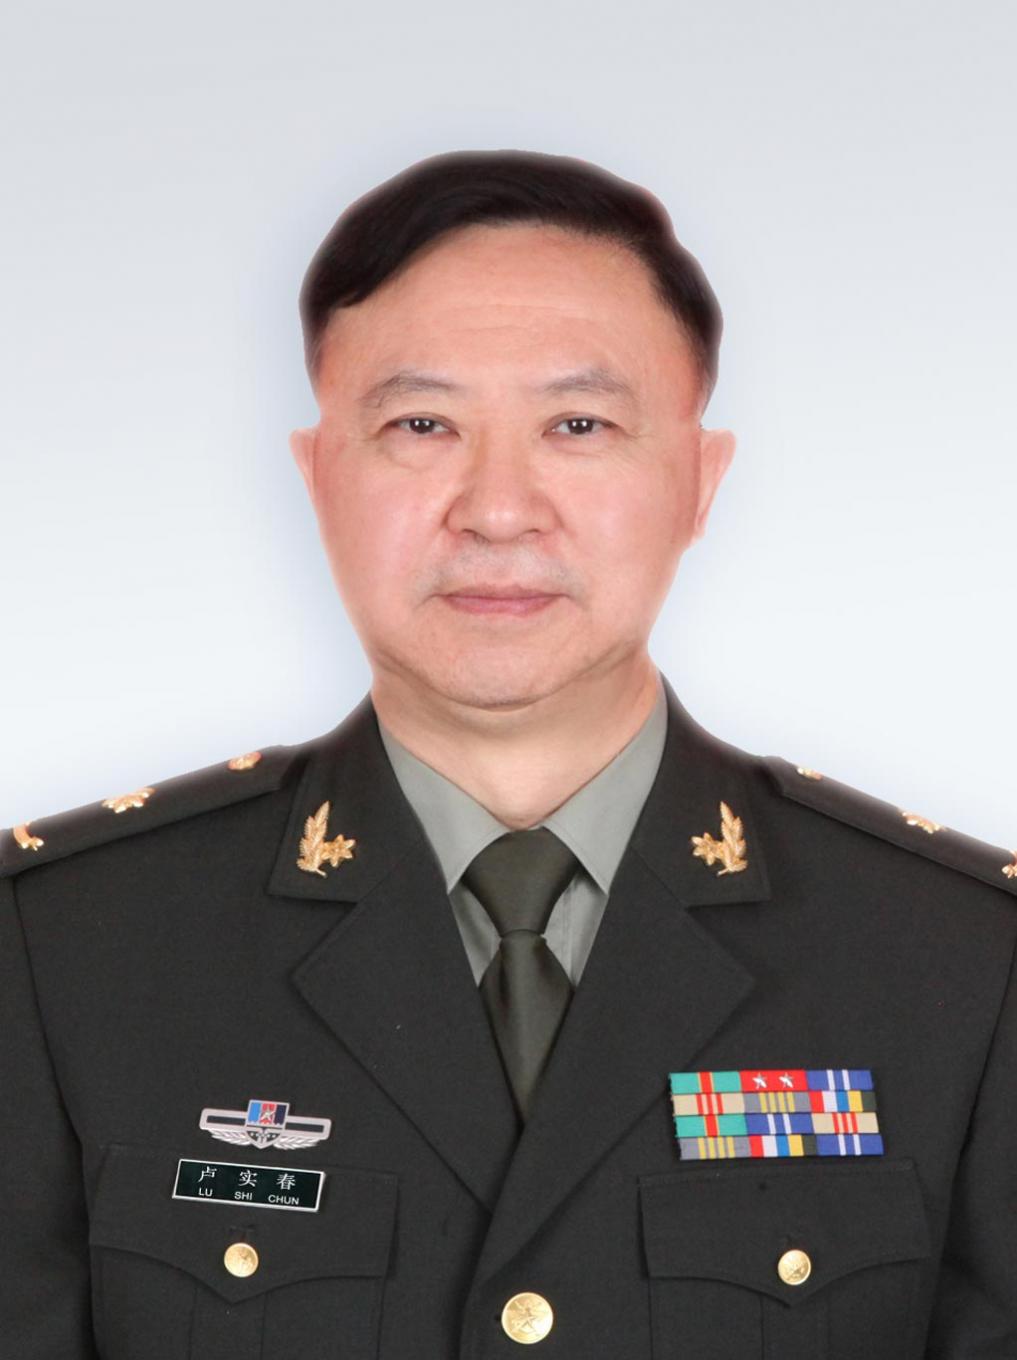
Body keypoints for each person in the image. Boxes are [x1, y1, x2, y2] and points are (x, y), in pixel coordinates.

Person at [2, 148, 1015, 1360]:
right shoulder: (60, 948)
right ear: (319, 477)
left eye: (578, 424)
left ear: (699, 482)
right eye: (421, 424)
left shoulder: (963, 960)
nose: (495, 508)